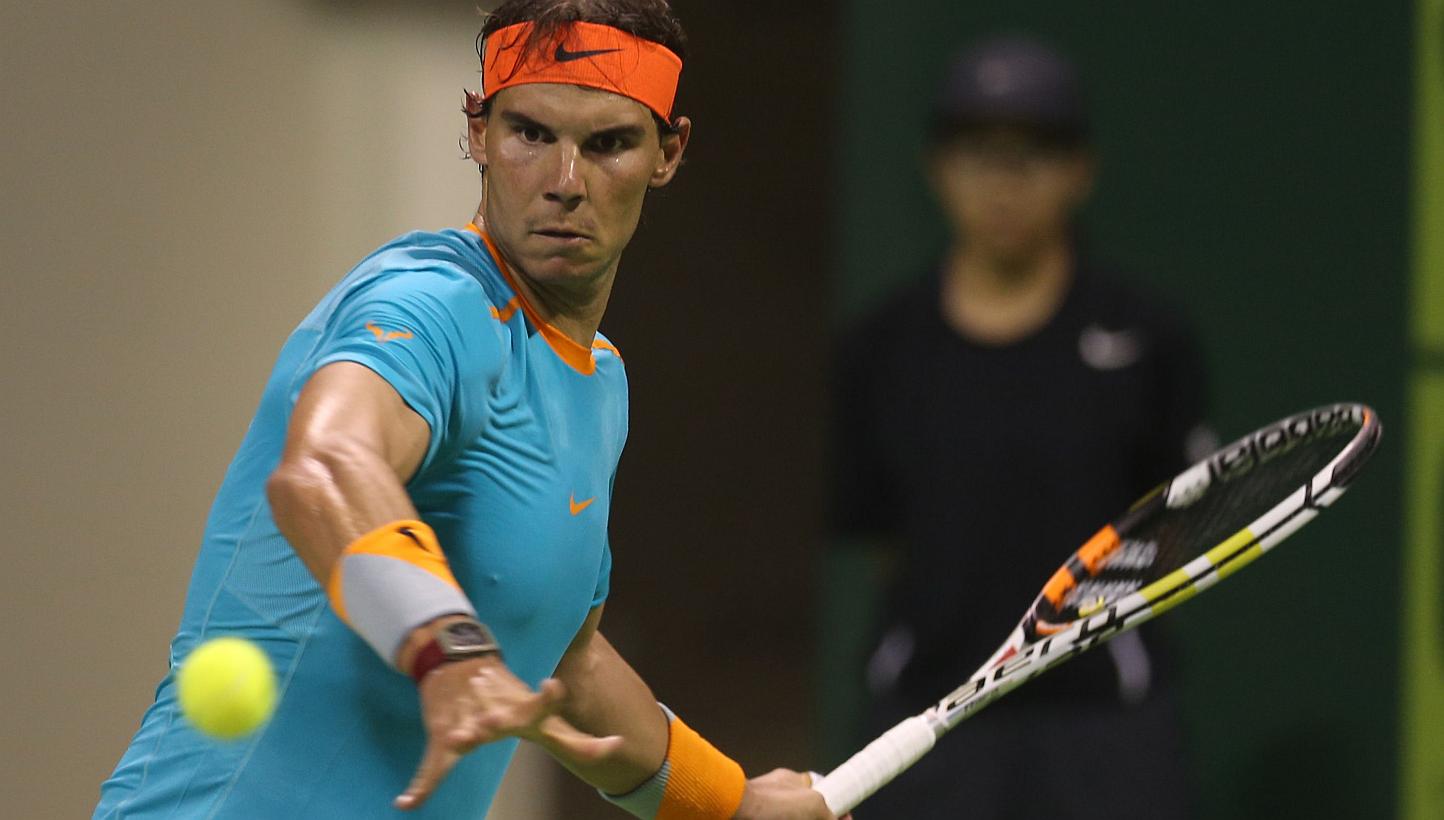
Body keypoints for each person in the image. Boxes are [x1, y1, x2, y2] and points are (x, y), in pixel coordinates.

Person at [94, 2, 840, 818]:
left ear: (669, 153)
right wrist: (449, 652)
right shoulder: (430, 303)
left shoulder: (600, 383)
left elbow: (565, 663)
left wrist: (728, 804)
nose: (565, 182)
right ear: (478, 132)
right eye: (530, 134)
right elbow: (325, 465)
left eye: (609, 144)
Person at [831, 35, 1213, 819]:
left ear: (1080, 170)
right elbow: (880, 541)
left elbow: (1180, 524)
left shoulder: (1147, 337)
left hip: (1108, 731)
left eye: (1032, 154)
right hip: (928, 725)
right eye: (978, 153)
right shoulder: (880, 348)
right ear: (938, 168)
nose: (1004, 182)